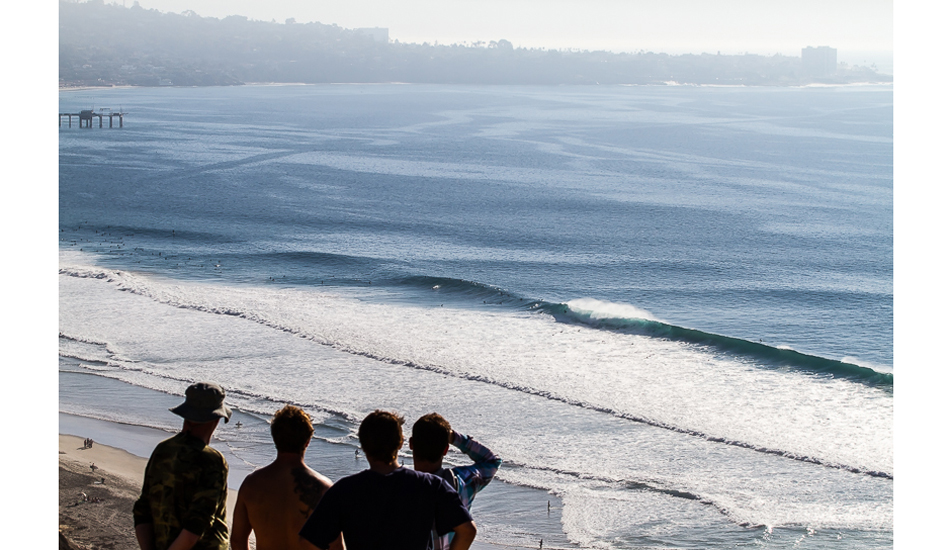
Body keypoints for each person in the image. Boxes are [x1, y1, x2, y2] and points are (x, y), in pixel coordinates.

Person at [299, 410, 477, 550]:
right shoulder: (430, 485)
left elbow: (308, 542)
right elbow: (467, 531)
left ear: (363, 445)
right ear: (400, 443)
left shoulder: (344, 490)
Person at [133, 381, 232, 550]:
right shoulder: (212, 460)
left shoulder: (162, 450)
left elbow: (142, 510)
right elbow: (196, 526)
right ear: (216, 419)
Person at [231, 406, 338, 550]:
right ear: (307, 441)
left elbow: (237, 540)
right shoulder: (324, 488)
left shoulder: (252, 484)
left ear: (275, 438)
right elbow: (336, 547)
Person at [409, 413, 501, 550]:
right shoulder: (462, 481)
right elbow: (491, 460)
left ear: (411, 444)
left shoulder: (399, 484)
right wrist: (454, 437)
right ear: (446, 449)